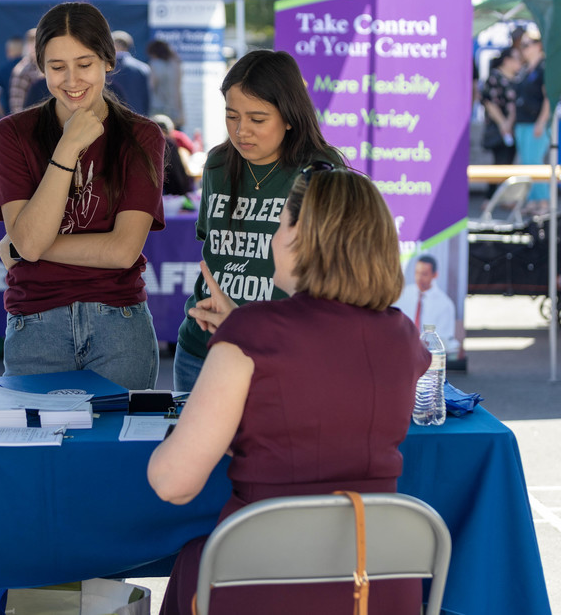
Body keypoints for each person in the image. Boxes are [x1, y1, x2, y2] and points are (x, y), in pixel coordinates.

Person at [149, 165, 431, 615]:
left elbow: (173, 483)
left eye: (281, 222)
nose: (273, 236)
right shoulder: (403, 336)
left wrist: (237, 338)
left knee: (189, 561)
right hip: (375, 584)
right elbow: (328, 392)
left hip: (266, 582)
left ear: (305, 235)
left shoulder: (253, 333)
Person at [0, 1, 165, 391]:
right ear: (40, 67)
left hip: (120, 323)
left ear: (107, 60)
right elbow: (29, 241)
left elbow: (122, 251)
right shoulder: (11, 134)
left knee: (118, 449)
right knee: (37, 451)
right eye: (56, 67)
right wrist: (67, 149)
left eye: (84, 64)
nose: (71, 80)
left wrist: (23, 246)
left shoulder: (142, 135)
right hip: (35, 322)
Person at [173, 50, 344, 393]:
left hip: (277, 354)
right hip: (199, 349)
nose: (241, 131)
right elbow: (216, 249)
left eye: (258, 118)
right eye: (231, 116)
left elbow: (332, 278)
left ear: (290, 117)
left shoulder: (321, 171)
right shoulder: (218, 164)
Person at [514, 26, 552, 213]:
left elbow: (548, 98)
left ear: (538, 46)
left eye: (528, 45)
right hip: (522, 122)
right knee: (526, 163)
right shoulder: (525, 69)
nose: (524, 49)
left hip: (536, 123)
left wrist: (541, 122)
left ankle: (543, 201)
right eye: (523, 45)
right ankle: (532, 200)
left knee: (535, 162)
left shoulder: (544, 67)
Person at [396, 254, 461, 357]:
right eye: (417, 273)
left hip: (428, 357)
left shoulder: (445, 305)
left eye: (424, 274)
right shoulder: (403, 295)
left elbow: (444, 340)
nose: (419, 278)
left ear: (435, 275)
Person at [479, 47, 521, 197]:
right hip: (498, 127)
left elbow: (516, 104)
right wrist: (503, 123)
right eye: (516, 58)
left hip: (514, 126)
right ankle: (490, 197)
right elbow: (488, 101)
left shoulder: (519, 78)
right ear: (507, 60)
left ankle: (503, 198)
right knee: (499, 162)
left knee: (509, 161)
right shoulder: (495, 77)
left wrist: (510, 122)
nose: (520, 62)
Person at [109, 30, 152, 116]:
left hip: (113, 118)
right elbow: (147, 97)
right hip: (138, 118)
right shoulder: (143, 68)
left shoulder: (105, 68)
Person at [146, 39, 184, 129]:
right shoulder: (176, 64)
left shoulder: (155, 64)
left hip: (158, 108)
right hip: (175, 107)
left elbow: (151, 85)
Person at [0, 35, 24, 120]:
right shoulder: (33, 68)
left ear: (8, 51)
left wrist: (4, 116)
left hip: (13, 119)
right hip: (33, 117)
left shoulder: (4, 71)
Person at [8, 28, 44, 114]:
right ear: (28, 45)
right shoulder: (21, 70)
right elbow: (17, 105)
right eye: (32, 42)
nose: (35, 47)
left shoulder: (50, 65)